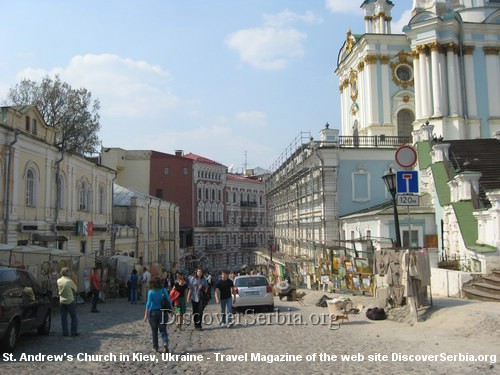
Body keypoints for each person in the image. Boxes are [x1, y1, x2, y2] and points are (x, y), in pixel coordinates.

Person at [143, 276, 172, 353]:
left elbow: (148, 304)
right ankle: (165, 342)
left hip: (153, 313)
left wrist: (145, 315)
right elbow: (169, 300)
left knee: (154, 330)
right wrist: (172, 310)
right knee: (163, 329)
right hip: (162, 312)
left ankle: (155, 347)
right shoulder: (163, 290)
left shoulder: (150, 292)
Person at [57, 267, 79, 337]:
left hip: (62, 300)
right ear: (67, 273)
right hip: (69, 300)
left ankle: (65, 332)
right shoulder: (69, 281)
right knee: (74, 316)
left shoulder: (58, 280)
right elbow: (75, 289)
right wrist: (75, 281)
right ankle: (73, 331)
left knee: (63, 317)